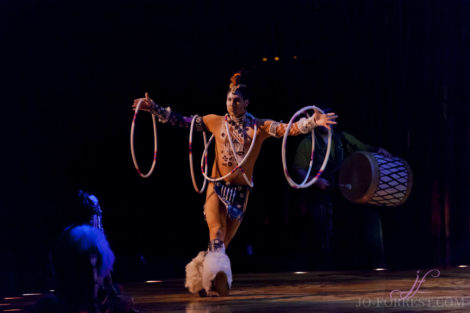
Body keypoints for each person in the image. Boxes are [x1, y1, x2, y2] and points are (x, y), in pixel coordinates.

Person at [132, 71, 338, 296]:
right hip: (216, 187)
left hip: (240, 193)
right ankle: (211, 280)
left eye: (237, 100)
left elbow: (286, 129)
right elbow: (183, 122)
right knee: (216, 231)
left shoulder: (258, 127)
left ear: (246, 102)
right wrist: (153, 107)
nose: (232, 104)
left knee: (221, 245)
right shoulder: (215, 121)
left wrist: (311, 122)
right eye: (229, 99)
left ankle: (202, 278)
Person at [292, 109, 391, 269]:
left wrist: (377, 149)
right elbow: (299, 170)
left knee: (369, 215)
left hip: (344, 194)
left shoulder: (343, 139)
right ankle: (323, 267)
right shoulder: (308, 143)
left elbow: (363, 148)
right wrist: (317, 181)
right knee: (320, 221)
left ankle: (373, 262)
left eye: (328, 117)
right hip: (320, 195)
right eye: (322, 118)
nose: (326, 121)